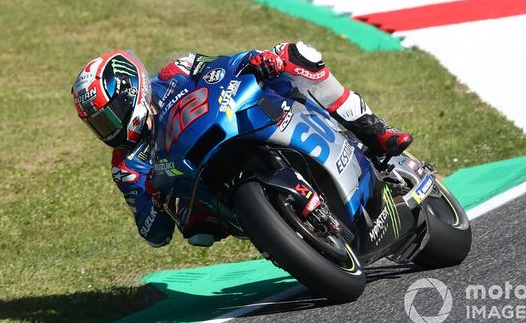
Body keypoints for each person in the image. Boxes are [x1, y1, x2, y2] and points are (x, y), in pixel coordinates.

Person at [71, 42, 413, 248]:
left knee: (297, 54)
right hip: (211, 198)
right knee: (198, 234)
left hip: (237, 125)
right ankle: (284, 234)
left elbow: (223, 64)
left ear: (131, 92)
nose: (107, 129)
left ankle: (374, 131)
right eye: (97, 124)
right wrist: (156, 202)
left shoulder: (174, 73)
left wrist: (258, 58)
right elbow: (154, 235)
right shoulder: (126, 166)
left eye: (109, 116)